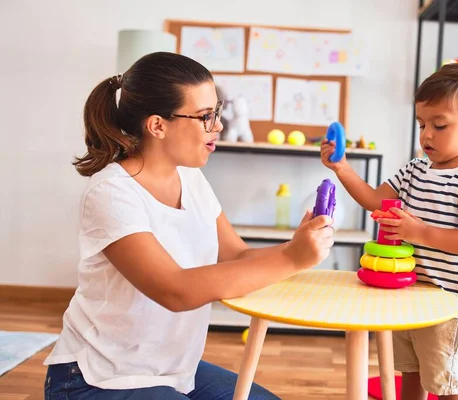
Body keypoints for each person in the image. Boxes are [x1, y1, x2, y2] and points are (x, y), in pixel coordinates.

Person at [43, 51, 334, 400]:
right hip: (98, 377)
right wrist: (291, 259)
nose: (219, 126)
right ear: (157, 125)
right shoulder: (111, 193)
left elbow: (236, 254)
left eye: (217, 111)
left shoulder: (191, 179)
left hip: (174, 370)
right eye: (205, 117)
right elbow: (174, 291)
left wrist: (297, 247)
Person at [320, 63, 458, 400]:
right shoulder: (415, 170)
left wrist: (418, 231)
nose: (426, 134)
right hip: (411, 295)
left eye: (439, 125)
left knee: (446, 386)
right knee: (410, 375)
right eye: (421, 124)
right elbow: (373, 199)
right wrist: (341, 168)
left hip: (450, 306)